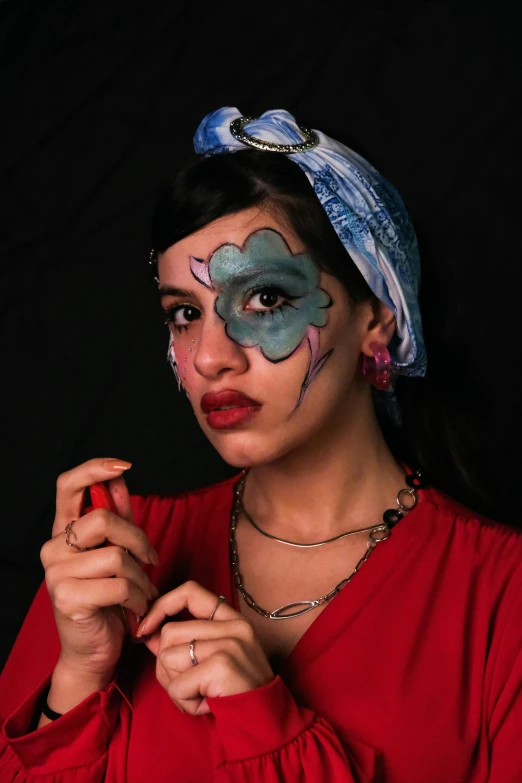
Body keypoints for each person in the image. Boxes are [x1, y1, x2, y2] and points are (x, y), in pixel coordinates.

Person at [0, 108, 520, 783]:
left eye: (266, 297)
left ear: (377, 320)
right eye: (184, 313)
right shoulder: (114, 558)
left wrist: (263, 721)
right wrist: (78, 675)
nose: (211, 356)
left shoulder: (501, 598)